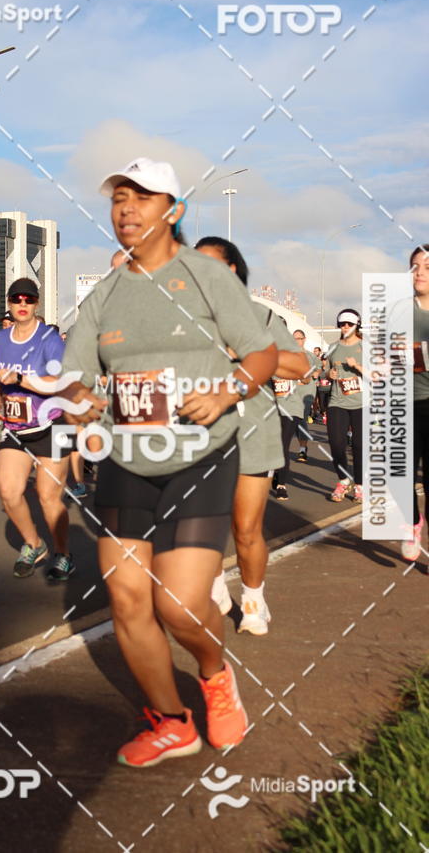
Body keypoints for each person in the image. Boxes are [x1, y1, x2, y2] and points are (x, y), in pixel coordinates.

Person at [62, 157, 278, 767]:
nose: (126, 208)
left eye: (141, 197)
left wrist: (227, 392)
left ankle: (213, 674)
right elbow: (78, 379)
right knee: (128, 600)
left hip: (201, 456)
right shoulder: (104, 295)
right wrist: (83, 411)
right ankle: (171, 720)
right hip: (129, 459)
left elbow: (261, 353)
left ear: (173, 210)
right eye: (118, 198)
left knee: (179, 605)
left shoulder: (206, 277)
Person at [195, 238, 308, 633]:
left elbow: (299, 367)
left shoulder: (260, 317)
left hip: (251, 431)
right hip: (200, 435)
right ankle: (212, 585)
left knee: (245, 530)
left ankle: (254, 599)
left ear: (230, 271)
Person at [0, 278, 74, 581]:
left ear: (36, 303)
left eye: (28, 300)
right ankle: (34, 544)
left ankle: (63, 554)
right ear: (9, 303)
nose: (22, 305)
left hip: (52, 424)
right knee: (8, 491)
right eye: (17, 300)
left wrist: (22, 381)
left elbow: (59, 383)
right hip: (16, 427)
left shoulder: (50, 339)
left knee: (48, 496)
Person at [403, 245, 429, 560]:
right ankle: (412, 522)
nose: (420, 271)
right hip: (404, 405)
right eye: (414, 266)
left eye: (427, 265)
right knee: (402, 476)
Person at [323, 308, 364, 503]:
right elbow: (323, 372)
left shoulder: (366, 347)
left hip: (362, 403)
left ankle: (360, 486)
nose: (345, 327)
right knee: (337, 444)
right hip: (337, 401)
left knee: (358, 446)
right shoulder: (332, 348)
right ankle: (342, 480)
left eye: (349, 324)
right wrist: (327, 375)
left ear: (357, 325)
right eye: (342, 323)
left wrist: (357, 366)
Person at [291, 330, 321, 462]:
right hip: (292, 392)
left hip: (307, 392)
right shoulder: (289, 355)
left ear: (304, 339)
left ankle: (302, 449)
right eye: (294, 339)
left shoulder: (311, 356)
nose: (297, 341)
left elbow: (320, 367)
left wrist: (317, 373)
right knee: (294, 420)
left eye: (299, 338)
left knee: (302, 418)